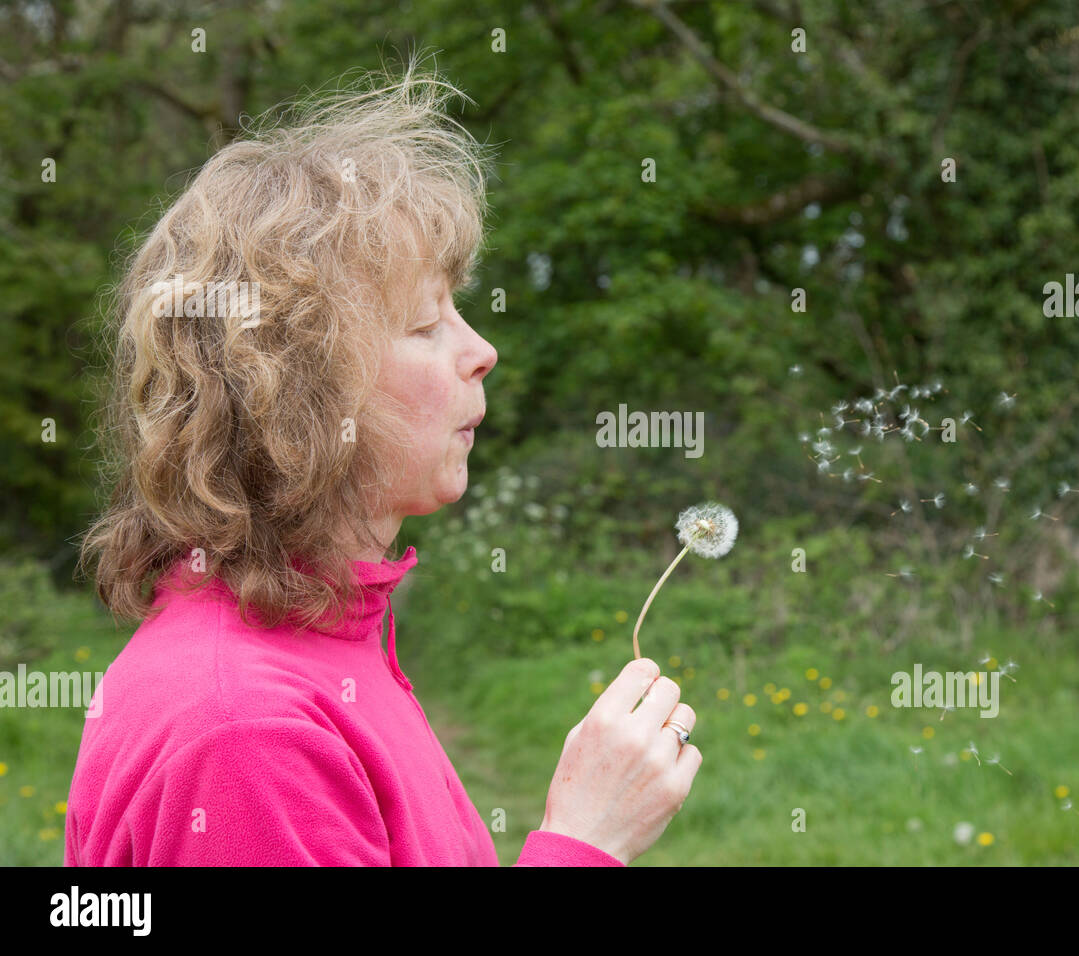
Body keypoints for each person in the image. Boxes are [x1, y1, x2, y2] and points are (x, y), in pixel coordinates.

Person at [65, 61, 701, 867]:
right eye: (426, 323)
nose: (482, 350)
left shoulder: (323, 641)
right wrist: (583, 842)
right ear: (296, 393)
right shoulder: (247, 735)